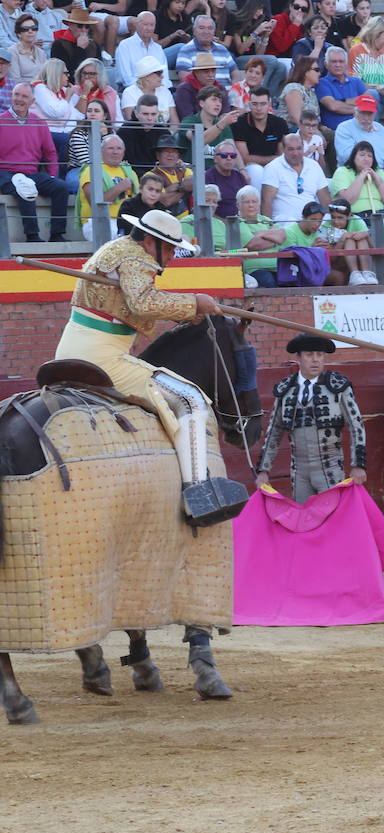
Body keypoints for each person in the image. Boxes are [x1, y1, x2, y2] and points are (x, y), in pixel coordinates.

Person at [54, 209, 243, 525]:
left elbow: (133, 305)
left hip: (72, 349)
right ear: (151, 241)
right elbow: (144, 302)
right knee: (191, 400)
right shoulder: (136, 258)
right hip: (101, 357)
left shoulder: (115, 250)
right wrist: (194, 302)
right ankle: (200, 495)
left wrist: (189, 311)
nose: (170, 258)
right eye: (168, 248)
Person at [255, 334, 367, 505]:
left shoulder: (338, 386)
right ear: (298, 357)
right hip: (299, 471)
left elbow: (356, 426)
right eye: (309, 355)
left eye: (320, 355)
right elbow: (274, 433)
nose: (315, 360)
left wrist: (358, 465)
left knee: (332, 518)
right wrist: (263, 470)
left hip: (330, 468)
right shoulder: (285, 389)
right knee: (304, 519)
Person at [0, 83, 68, 242]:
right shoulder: (1, 121)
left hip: (31, 173)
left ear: (32, 101)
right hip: (5, 173)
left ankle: (57, 234)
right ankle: (32, 236)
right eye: (17, 95)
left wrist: (52, 176)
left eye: (24, 96)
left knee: (61, 187)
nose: (19, 99)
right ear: (11, 96)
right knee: (25, 187)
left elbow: (50, 153)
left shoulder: (39, 123)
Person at [261, 133, 331, 224]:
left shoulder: (314, 166)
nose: (295, 153)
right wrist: (268, 228)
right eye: (291, 149)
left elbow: (325, 199)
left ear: (303, 147)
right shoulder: (273, 167)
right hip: (284, 223)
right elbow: (266, 201)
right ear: (283, 149)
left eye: (299, 148)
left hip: (312, 222)